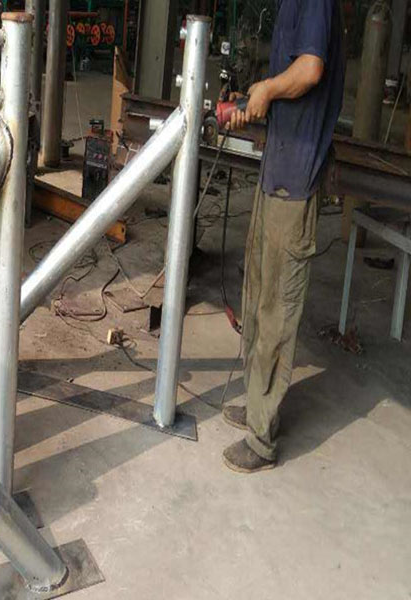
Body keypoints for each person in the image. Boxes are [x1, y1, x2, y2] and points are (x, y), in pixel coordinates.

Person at [221, 0, 345, 473]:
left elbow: (310, 70)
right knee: (257, 297)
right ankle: (258, 405)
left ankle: (261, 440)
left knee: (276, 309)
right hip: (277, 171)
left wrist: (268, 90)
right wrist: (258, 98)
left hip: (295, 181)